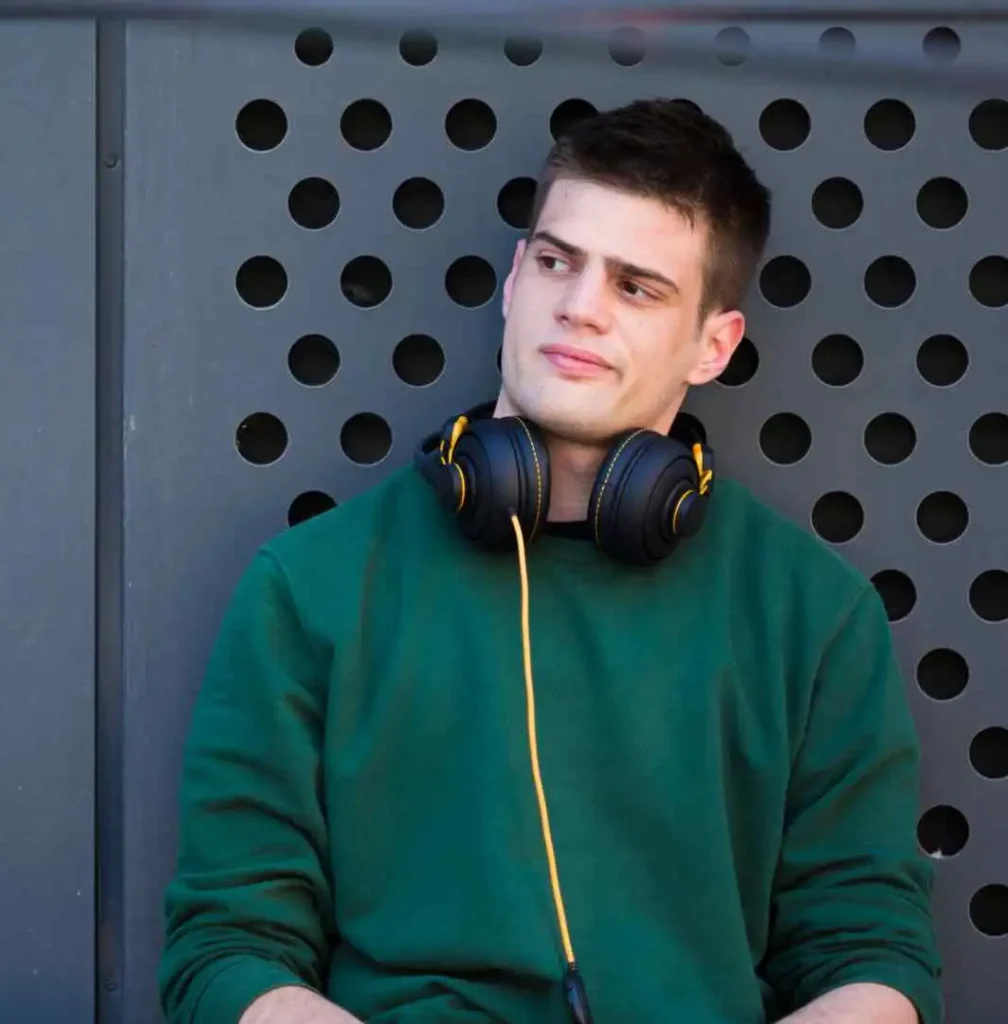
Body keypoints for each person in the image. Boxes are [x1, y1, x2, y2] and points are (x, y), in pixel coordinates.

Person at [157, 97, 943, 1024]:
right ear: (511, 281)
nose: (579, 308)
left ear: (714, 346)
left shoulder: (813, 613)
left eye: (637, 286)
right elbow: (226, 949)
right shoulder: (312, 586)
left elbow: (873, 953)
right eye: (557, 261)